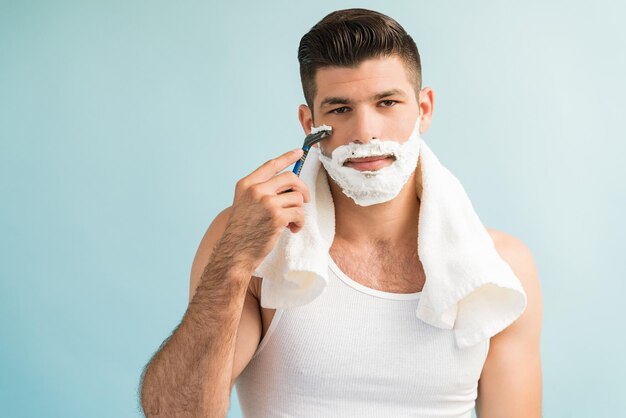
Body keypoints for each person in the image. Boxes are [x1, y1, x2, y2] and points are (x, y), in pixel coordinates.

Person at [139, 8, 543, 418]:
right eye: (339, 109)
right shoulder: (254, 242)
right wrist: (234, 259)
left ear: (424, 108)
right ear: (309, 121)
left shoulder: (496, 268)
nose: (365, 131)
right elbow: (175, 413)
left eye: (387, 102)